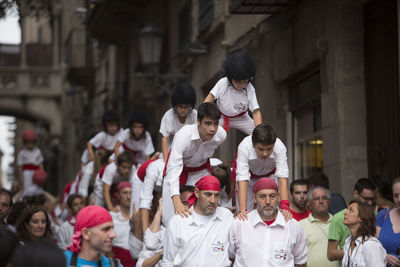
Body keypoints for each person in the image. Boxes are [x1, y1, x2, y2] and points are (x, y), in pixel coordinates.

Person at [162, 102, 226, 224]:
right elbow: (173, 169)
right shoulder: (183, 135)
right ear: (198, 121)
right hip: (179, 172)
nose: (212, 129)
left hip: (201, 170)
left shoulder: (221, 136)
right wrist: (176, 200)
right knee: (169, 219)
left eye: (215, 124)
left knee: (209, 210)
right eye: (208, 123)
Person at [229, 177, 307, 266]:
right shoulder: (240, 224)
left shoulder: (293, 226)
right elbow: (230, 258)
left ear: (278, 197)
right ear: (254, 198)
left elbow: (300, 263)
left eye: (272, 196)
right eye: (262, 196)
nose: (268, 201)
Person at [161, 175, 233, 266]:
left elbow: (236, 249)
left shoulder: (226, 217)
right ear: (197, 192)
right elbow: (167, 262)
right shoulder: (178, 222)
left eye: (216, 195)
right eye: (208, 194)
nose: (213, 200)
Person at [233, 123, 290, 219]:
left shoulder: (280, 147)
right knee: (244, 215)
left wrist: (285, 206)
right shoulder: (244, 147)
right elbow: (242, 180)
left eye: (269, 149)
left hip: (270, 176)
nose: (265, 153)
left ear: (274, 145)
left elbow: (282, 178)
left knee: (275, 211)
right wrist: (242, 210)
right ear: (253, 144)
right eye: (261, 149)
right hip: (249, 179)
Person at [204, 50, 262, 135]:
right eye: (237, 81)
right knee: (207, 134)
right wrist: (202, 117)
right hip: (221, 117)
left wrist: (259, 131)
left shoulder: (250, 89)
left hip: (242, 118)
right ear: (230, 78)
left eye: (244, 81)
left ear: (250, 79)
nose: (241, 84)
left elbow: (256, 111)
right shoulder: (223, 83)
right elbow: (209, 99)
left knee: (261, 135)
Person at [327, 178, 376, 262]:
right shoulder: (339, 218)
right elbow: (331, 254)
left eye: (372, 200)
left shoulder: (376, 215)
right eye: (366, 198)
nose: (370, 203)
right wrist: (353, 250)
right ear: (356, 194)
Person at [300, 186, 339, 267]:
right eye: (316, 199)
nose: (321, 201)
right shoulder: (301, 226)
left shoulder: (338, 223)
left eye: (324, 198)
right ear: (309, 204)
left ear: (329, 201)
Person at [160, 83, 197, 161]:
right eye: (180, 106)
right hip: (171, 153)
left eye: (186, 107)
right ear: (175, 105)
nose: (183, 110)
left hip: (189, 154)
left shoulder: (195, 115)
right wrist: (165, 160)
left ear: (191, 106)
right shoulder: (168, 116)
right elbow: (164, 138)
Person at [342, 200, 386, 266]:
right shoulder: (348, 242)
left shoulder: (371, 245)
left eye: (351, 210)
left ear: (361, 218)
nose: (345, 213)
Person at [110, 182, 143, 267]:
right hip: (116, 261)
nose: (129, 197)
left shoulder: (140, 216)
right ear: (118, 195)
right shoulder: (111, 216)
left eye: (131, 193)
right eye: (125, 193)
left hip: (136, 260)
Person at [376, 177, 400, 266]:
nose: (399, 199)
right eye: (396, 195)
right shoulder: (383, 215)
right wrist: (384, 256)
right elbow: (370, 245)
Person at [139, 158, 165, 232]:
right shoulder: (154, 168)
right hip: (141, 179)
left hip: (161, 188)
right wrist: (146, 235)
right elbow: (145, 201)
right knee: (138, 216)